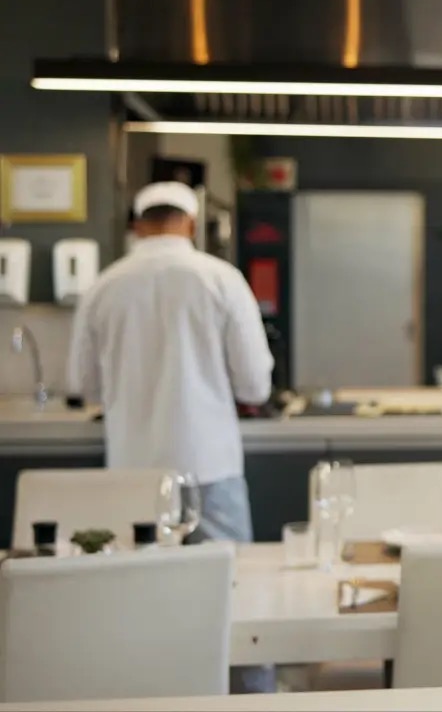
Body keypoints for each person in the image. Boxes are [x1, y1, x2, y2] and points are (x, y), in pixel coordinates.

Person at [66, 181, 276, 690]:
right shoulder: (221, 279)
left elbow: (82, 386)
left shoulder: (104, 286)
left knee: (137, 604)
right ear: (190, 223)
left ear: (137, 225)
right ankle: (249, 699)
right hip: (211, 469)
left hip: (131, 475)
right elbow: (255, 384)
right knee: (235, 600)